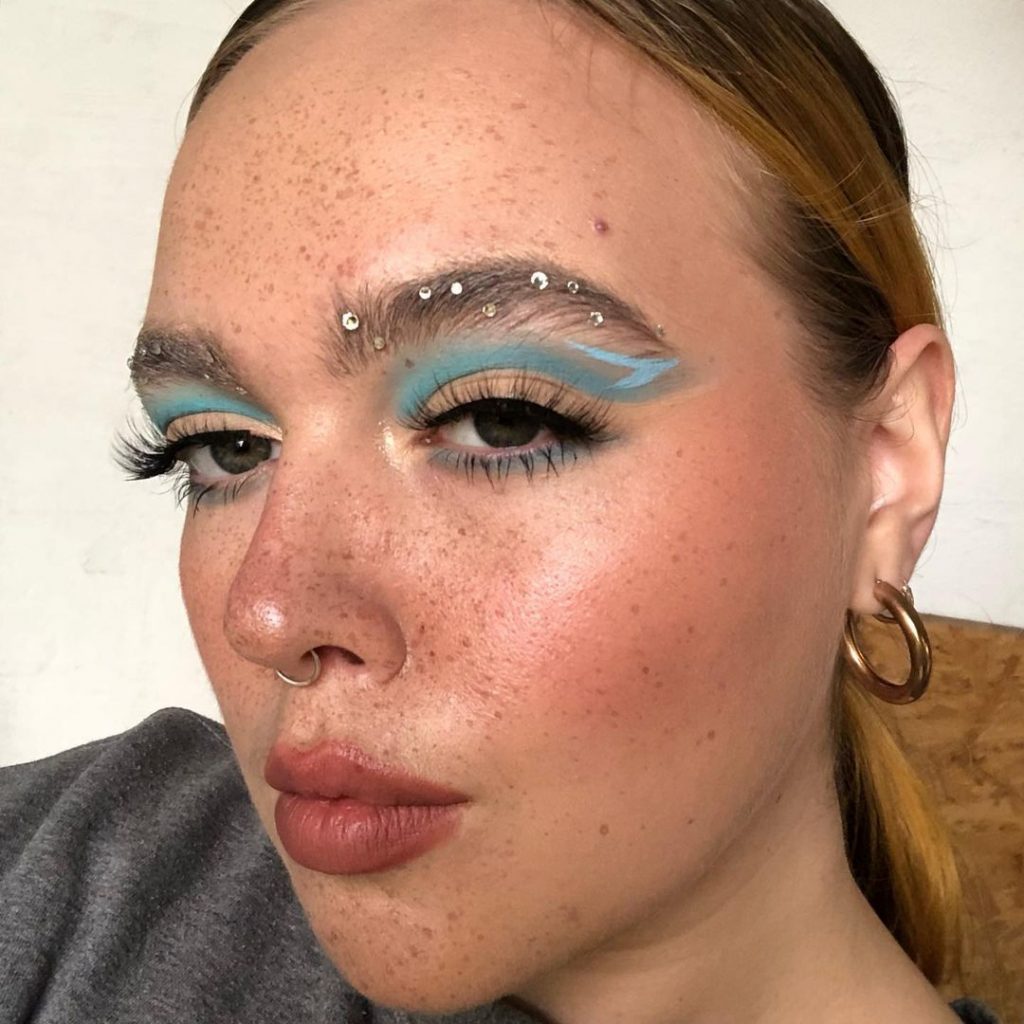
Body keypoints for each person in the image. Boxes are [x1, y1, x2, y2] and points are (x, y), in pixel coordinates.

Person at [0, 0, 1009, 1021]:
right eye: (226, 447)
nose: (266, 614)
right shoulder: (75, 877)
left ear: (886, 467)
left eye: (499, 419)